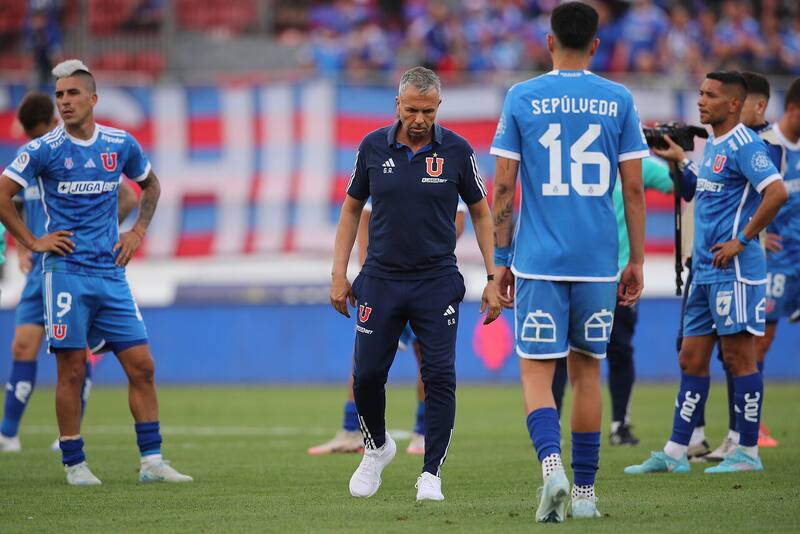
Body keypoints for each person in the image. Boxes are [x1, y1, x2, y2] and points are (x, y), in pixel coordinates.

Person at [0, 59, 192, 485]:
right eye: (60, 95)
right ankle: (74, 462)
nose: (65, 102)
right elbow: (3, 192)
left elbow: (151, 185)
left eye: (72, 94)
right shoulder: (43, 149)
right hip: (65, 271)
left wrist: (137, 231)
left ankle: (152, 462)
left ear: (93, 99)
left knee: (142, 364)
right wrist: (31, 242)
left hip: (110, 273)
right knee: (70, 367)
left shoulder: (120, 143)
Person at [491, 2, 648, 522]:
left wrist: (502, 261)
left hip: (538, 260)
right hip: (599, 262)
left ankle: (551, 466)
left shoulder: (521, 96)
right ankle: (584, 497)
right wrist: (636, 262)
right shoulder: (619, 98)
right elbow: (633, 189)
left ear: (548, 40)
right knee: (586, 374)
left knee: (537, 372)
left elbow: (505, 189)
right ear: (597, 45)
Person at [330, 66, 500, 502]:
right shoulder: (371, 147)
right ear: (397, 105)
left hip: (436, 282)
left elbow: (481, 213)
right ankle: (376, 448)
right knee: (367, 376)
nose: (419, 119)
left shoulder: (458, 152)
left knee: (440, 376)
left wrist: (493, 276)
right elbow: (351, 210)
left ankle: (431, 475)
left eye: (427, 110)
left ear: (438, 107)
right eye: (411, 110)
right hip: (380, 281)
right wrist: (338, 274)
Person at [625, 71, 787, 477]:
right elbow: (702, 191)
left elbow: (777, 191)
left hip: (733, 270)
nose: (700, 101)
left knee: (739, 358)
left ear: (733, 104)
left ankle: (747, 451)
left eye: (710, 95)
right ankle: (676, 451)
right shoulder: (714, 143)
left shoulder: (746, 145)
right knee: (690, 357)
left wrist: (744, 239)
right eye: (700, 93)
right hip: (704, 271)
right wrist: (680, 164)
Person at [0, 92, 137, 453]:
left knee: (75, 354)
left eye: (36, 131)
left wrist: (101, 234)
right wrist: (24, 246)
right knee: (22, 345)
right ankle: (8, 433)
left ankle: (69, 439)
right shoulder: (29, 156)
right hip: (38, 273)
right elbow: (14, 205)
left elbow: (127, 197)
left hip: (75, 266)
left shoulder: (74, 152)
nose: (33, 139)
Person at [309, 201, 466, 456]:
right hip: (384, 279)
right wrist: (365, 268)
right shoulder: (382, 162)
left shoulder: (446, 163)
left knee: (425, 353)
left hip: (425, 280)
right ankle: (352, 431)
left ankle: (423, 432)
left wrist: (425, 239)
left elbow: (460, 218)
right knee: (364, 354)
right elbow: (364, 215)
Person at [551, 157, 673, 446]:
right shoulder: (575, 157)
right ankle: (551, 424)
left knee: (618, 350)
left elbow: (684, 186)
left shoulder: (639, 164)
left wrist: (675, 160)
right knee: (559, 352)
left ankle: (620, 424)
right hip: (576, 271)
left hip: (619, 276)